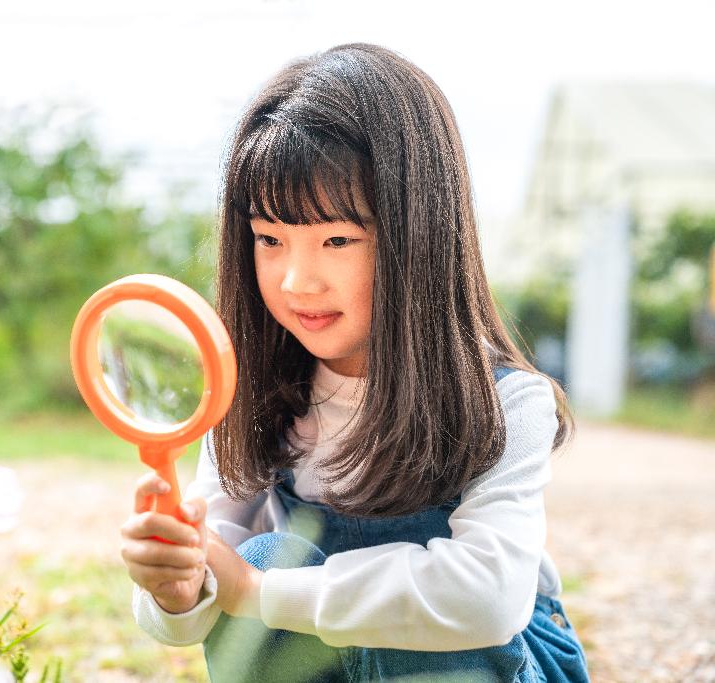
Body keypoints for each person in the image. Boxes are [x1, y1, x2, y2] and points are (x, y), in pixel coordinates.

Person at [118, 43, 591, 682]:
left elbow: (485, 600)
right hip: (337, 659)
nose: (297, 281)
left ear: (418, 234)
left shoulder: (505, 403)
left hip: (493, 661)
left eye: (337, 240)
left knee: (280, 573)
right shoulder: (251, 398)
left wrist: (257, 593)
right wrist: (178, 587)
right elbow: (210, 589)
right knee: (264, 550)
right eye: (269, 239)